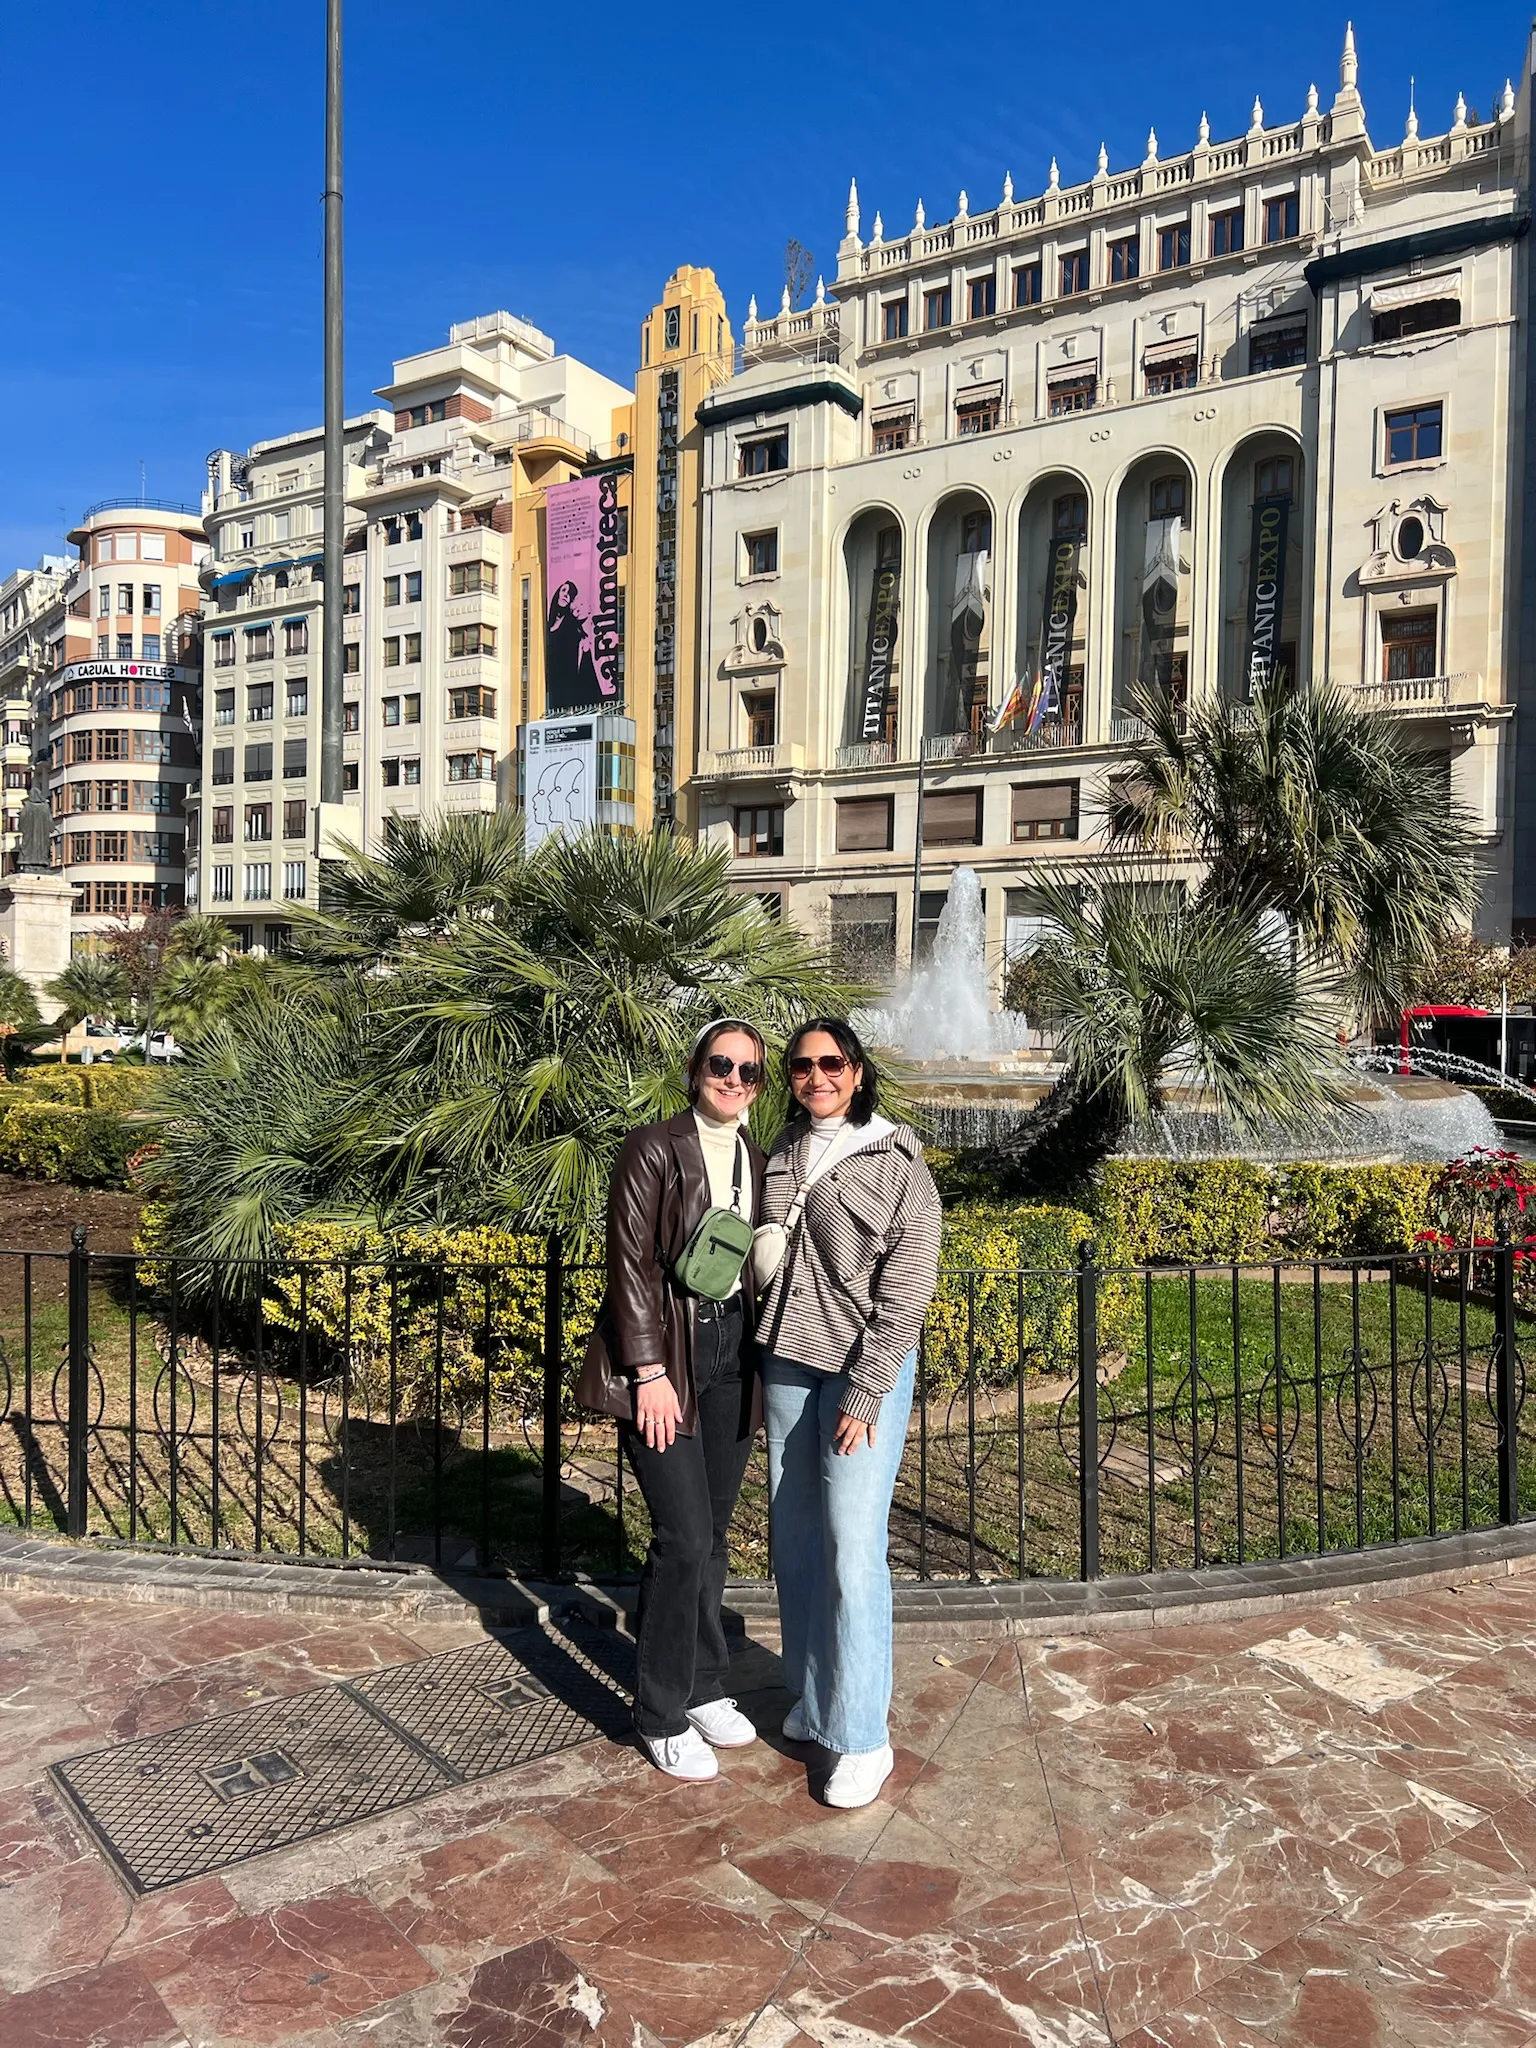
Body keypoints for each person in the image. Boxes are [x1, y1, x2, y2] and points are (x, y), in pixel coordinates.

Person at [757, 1017, 942, 1808]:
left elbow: (906, 1293)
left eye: (831, 1063)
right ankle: (815, 1694)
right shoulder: (784, 1154)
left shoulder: (899, 1165)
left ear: (858, 1072)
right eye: (802, 1066)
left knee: (852, 1547)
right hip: (786, 1364)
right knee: (795, 1540)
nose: (816, 1076)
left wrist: (868, 1389)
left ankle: (863, 1734)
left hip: (858, 1374)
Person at [576, 1020, 768, 1781]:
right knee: (682, 1538)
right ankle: (657, 1711)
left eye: (748, 1070)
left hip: (732, 1355)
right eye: (721, 1064)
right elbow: (629, 1267)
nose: (733, 1079)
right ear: (695, 1069)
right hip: (671, 1362)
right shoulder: (654, 1147)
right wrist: (649, 1371)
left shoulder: (755, 1153)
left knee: (714, 1536)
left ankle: (703, 1685)